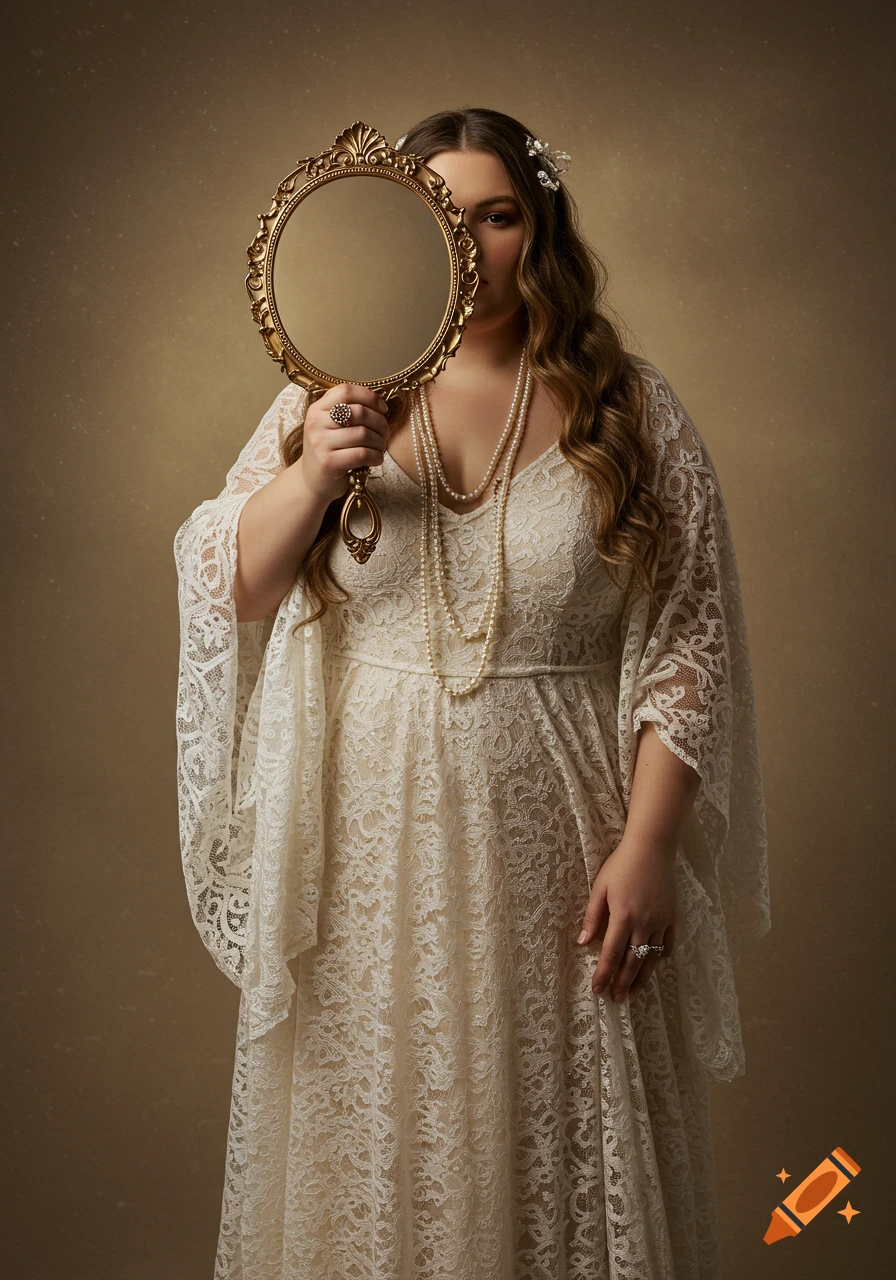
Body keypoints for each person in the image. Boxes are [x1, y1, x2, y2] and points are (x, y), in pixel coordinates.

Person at [174, 107, 770, 1280]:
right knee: (383, 1128)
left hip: (559, 841)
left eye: (496, 215)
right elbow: (233, 584)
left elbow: (687, 640)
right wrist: (313, 468)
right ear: (406, 229)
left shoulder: (631, 412)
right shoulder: (328, 398)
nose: (471, 245)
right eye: (442, 216)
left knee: (549, 1134)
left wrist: (650, 841)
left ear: (534, 227)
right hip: (365, 857)